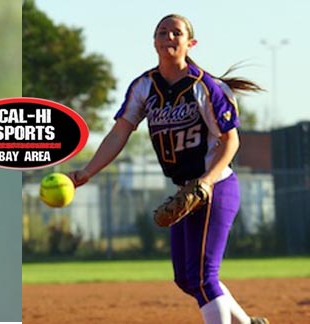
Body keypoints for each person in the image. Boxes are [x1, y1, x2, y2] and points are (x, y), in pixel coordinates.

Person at [68, 14, 269, 324]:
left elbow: (231, 143)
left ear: (190, 43)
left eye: (177, 32)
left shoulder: (205, 86)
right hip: (184, 191)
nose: (169, 37)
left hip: (215, 187)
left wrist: (205, 183)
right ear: (154, 42)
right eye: (163, 32)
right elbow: (120, 132)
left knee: (203, 278)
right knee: (187, 279)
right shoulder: (145, 86)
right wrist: (87, 172)